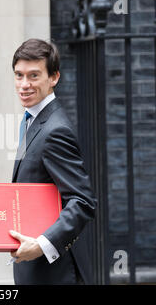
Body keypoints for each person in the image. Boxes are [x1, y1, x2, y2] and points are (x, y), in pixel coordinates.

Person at [8, 38, 97, 285]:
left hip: (56, 274)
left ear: (54, 78)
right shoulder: (33, 118)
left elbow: (82, 201)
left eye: (34, 76)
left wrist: (40, 245)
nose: (24, 85)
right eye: (19, 75)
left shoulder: (55, 130)